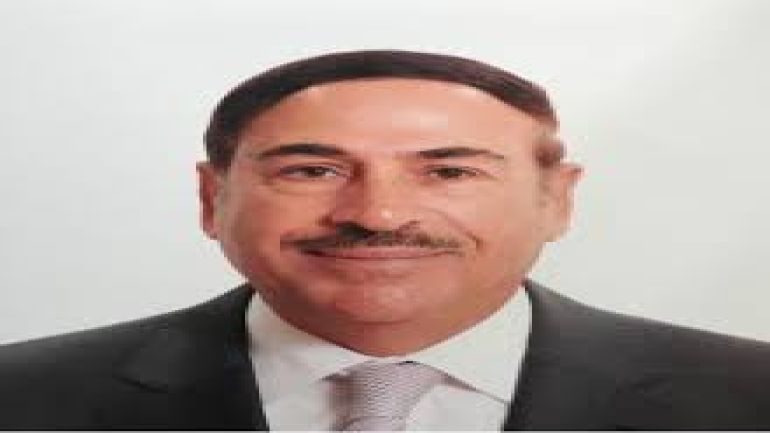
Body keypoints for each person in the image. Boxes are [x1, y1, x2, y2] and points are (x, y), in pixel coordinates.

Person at [0, 50, 768, 430]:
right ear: (212, 198)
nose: (379, 213)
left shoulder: (746, 396)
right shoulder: (24, 398)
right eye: (313, 169)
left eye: (449, 171)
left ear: (556, 200)